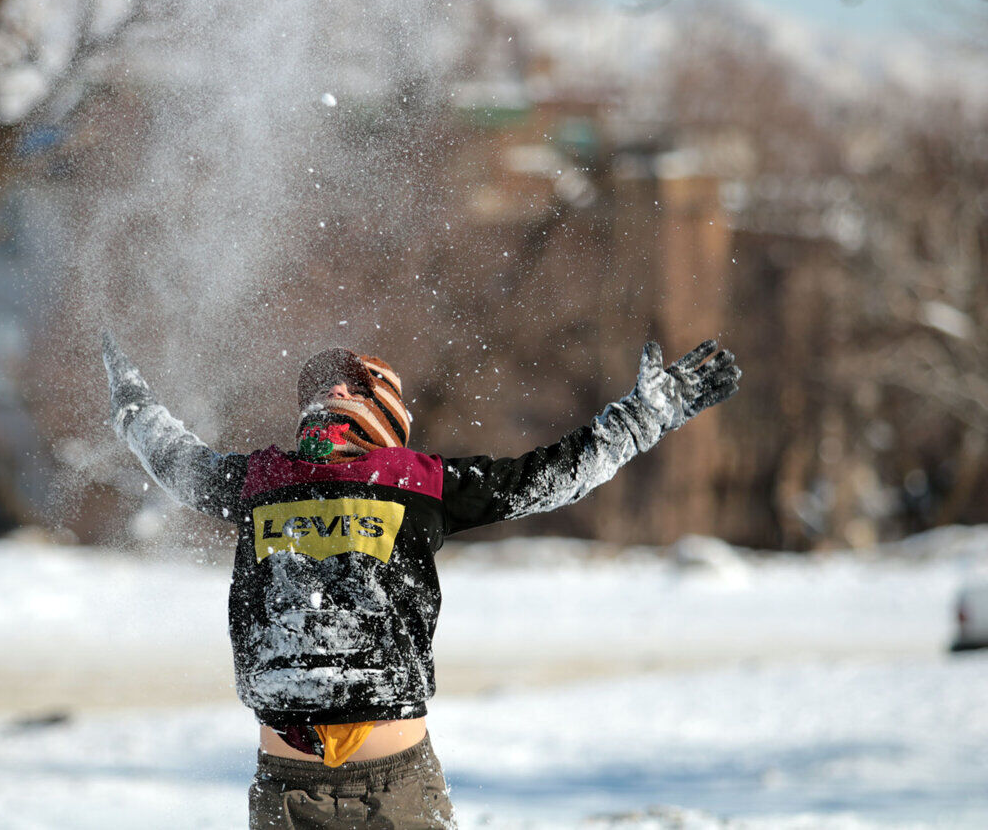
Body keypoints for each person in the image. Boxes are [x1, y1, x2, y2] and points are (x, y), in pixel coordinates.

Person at [101, 333, 740, 829]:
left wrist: (647, 414)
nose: (328, 396)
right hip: (291, 791)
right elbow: (172, 457)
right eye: (321, 389)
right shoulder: (260, 482)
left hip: (390, 792)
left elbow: (547, 476)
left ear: (380, 410)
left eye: (346, 387)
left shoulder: (413, 483)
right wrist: (130, 397)